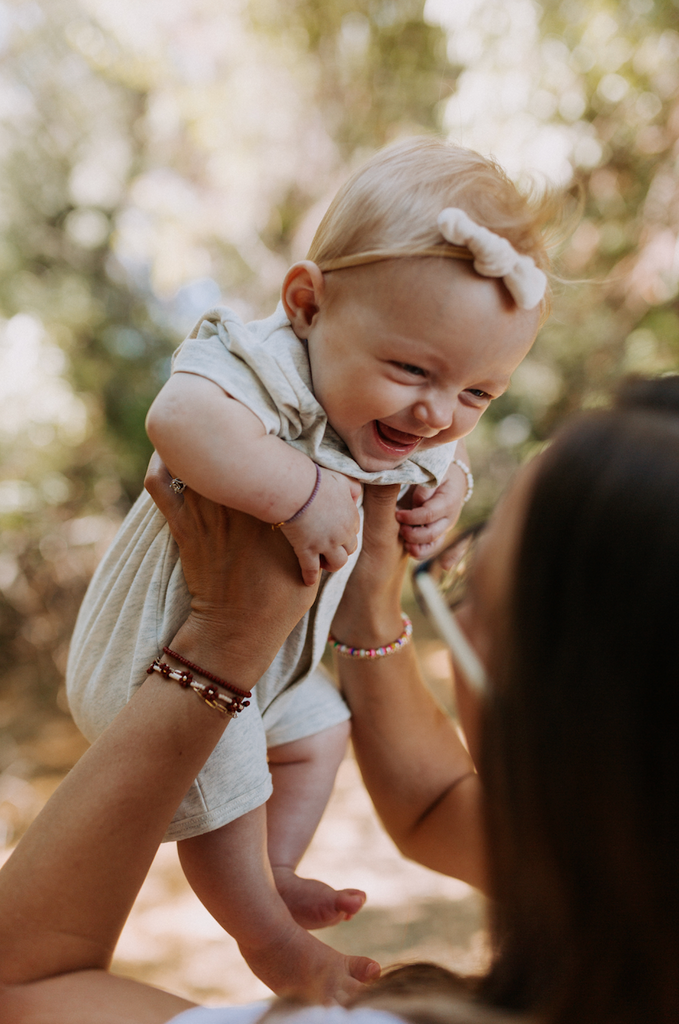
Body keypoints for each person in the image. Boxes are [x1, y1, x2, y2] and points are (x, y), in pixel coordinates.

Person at [3, 374, 679, 1024]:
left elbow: (18, 989)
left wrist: (224, 640)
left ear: (566, 708)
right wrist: (367, 601)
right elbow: (433, 803)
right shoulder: (635, 868)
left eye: (468, 582)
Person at [64, 136, 556, 998]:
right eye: (412, 369)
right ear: (306, 304)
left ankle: (273, 865)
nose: (439, 412)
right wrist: (295, 493)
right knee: (235, 752)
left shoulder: (407, 423)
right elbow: (178, 416)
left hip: (274, 671)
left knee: (320, 727)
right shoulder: (267, 367)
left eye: (478, 394)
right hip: (159, 658)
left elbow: (437, 467)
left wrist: (447, 493)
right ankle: (266, 937)